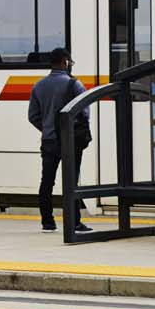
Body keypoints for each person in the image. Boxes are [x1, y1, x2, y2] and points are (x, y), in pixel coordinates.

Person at [27, 49, 90, 233]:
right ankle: (75, 222)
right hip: (71, 141)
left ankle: (47, 222)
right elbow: (84, 113)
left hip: (49, 141)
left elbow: (33, 116)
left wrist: (47, 128)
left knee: (47, 181)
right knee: (72, 181)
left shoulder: (38, 86)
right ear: (65, 61)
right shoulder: (74, 85)